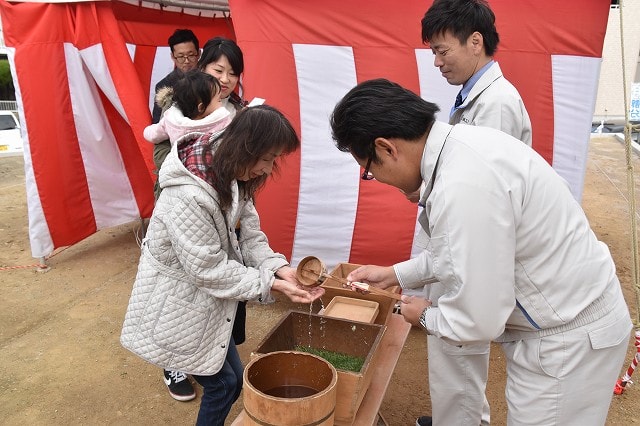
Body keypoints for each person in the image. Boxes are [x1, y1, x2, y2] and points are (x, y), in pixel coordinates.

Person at [330, 78, 632, 426]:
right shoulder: (465, 145)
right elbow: (464, 252)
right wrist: (395, 274)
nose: (376, 179)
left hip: (567, 341)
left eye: (369, 171)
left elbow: (478, 317)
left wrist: (425, 315)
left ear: (386, 148)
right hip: (562, 323)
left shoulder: (460, 185)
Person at [121, 104, 324, 425]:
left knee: (231, 380)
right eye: (268, 158)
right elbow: (209, 270)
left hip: (208, 302)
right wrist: (271, 284)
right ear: (246, 148)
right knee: (225, 384)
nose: (269, 169)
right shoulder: (190, 194)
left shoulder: (233, 173)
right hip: (180, 303)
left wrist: (279, 269)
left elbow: (251, 236)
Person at [408, 1, 534, 424]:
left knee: (459, 349)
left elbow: (481, 191)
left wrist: (426, 189)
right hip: (461, 241)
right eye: (434, 53)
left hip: (471, 243)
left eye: (443, 51)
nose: (438, 62)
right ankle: (459, 419)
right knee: (454, 355)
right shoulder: (476, 97)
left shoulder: (496, 103)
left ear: (475, 42)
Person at [149, 28, 202, 402]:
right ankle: (172, 362)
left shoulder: (213, 89)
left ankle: (197, 354)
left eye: (191, 55)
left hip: (209, 201)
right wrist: (177, 180)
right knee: (174, 280)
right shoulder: (165, 92)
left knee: (202, 284)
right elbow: (159, 145)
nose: (186, 62)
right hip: (177, 194)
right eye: (180, 56)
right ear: (173, 57)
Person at [143, 70, 231, 145]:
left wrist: (146, 131)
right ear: (201, 107)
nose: (221, 104)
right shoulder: (222, 122)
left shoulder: (172, 121)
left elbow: (153, 135)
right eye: (219, 100)